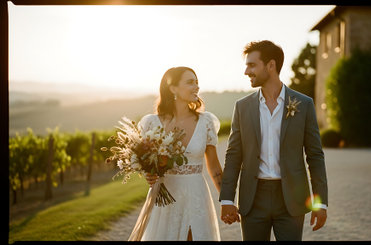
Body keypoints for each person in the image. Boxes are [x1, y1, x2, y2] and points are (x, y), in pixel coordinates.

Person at [219, 40, 328, 241]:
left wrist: (320, 203)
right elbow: (233, 155)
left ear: (271, 65)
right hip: (253, 199)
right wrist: (227, 198)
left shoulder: (304, 104)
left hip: (291, 200)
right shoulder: (242, 107)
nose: (246, 71)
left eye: (252, 65)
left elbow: (314, 156)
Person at [134, 66, 223, 241]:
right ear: (173, 88)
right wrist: (149, 173)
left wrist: (227, 201)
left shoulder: (206, 122)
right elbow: (146, 161)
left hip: (196, 195)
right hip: (166, 199)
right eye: (190, 82)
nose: (196, 87)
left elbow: (214, 166)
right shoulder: (152, 123)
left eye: (197, 82)